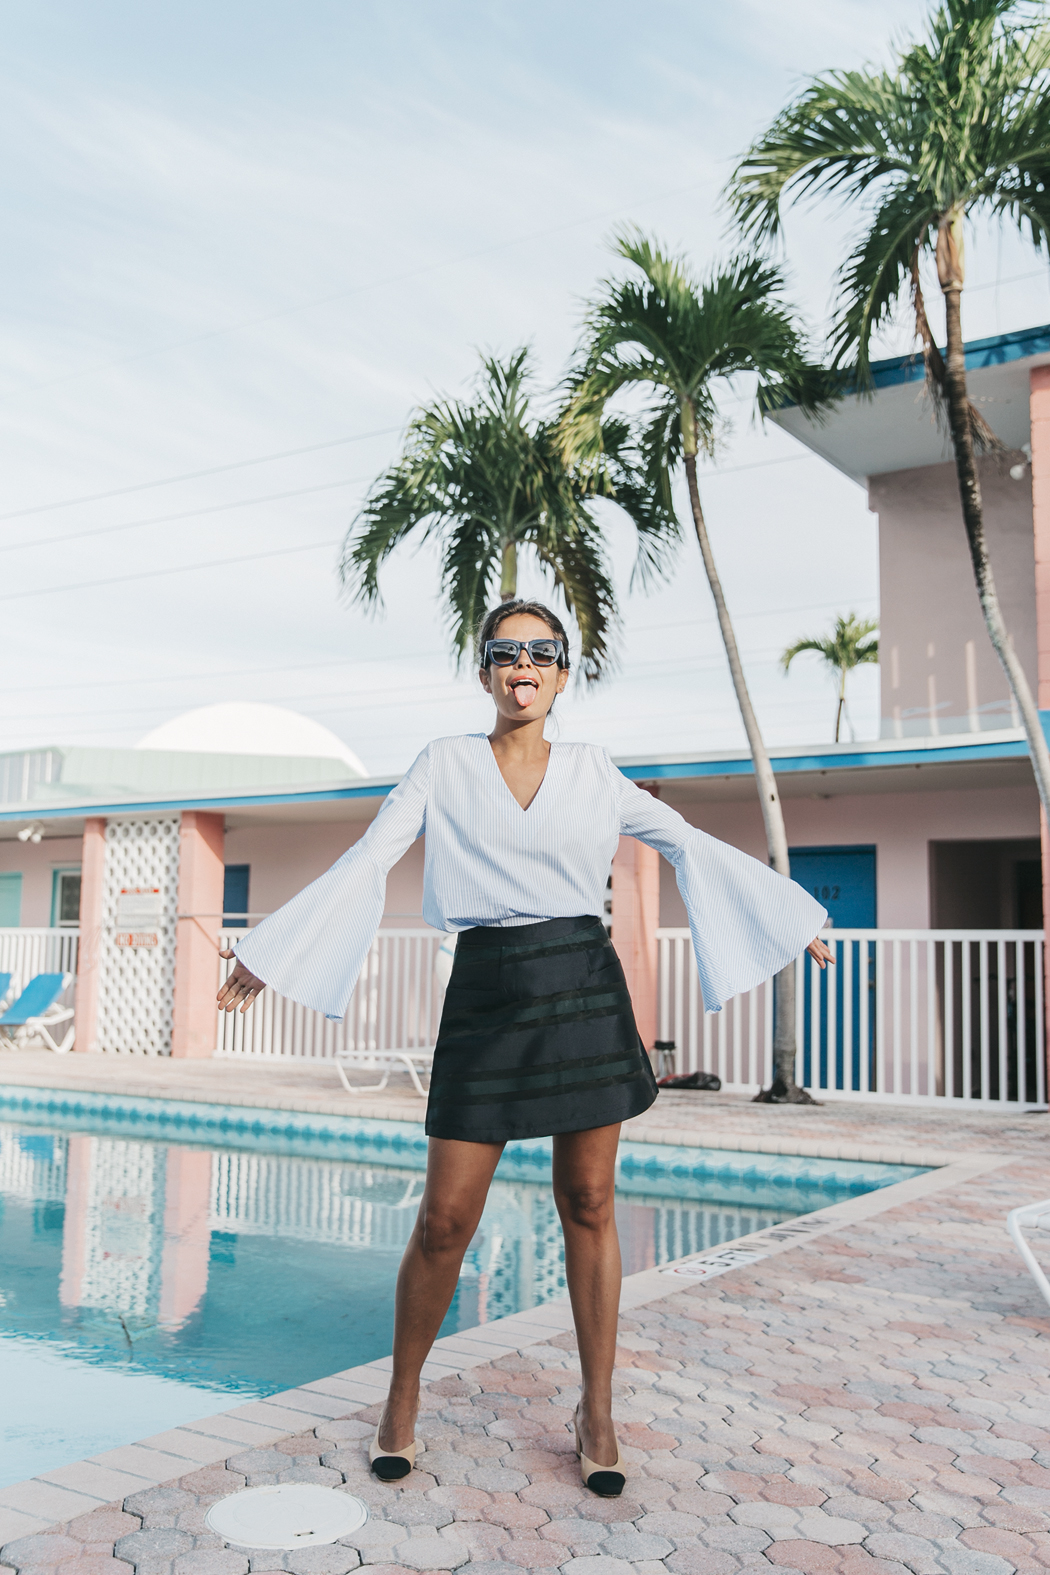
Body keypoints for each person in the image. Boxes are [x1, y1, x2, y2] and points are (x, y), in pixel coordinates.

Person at [217, 598, 832, 1497]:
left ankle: (598, 1408)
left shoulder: (593, 770)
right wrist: (272, 952)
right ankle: (401, 1397)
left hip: (582, 987)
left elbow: (685, 841)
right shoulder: (445, 763)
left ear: (562, 673)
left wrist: (791, 913)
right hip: (488, 992)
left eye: (542, 652)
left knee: (588, 1200)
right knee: (444, 1220)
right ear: (485, 671)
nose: (524, 665)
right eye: (506, 651)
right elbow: (372, 852)